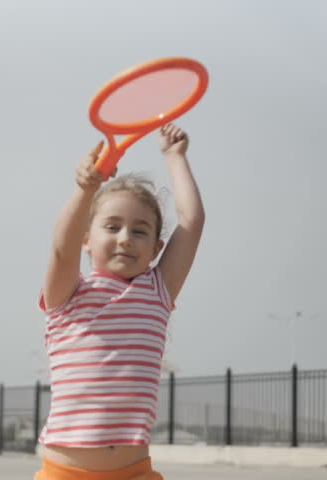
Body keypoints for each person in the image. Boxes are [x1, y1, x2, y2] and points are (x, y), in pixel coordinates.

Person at [36, 123, 205, 480]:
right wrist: (86, 189)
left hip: (135, 472)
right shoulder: (67, 294)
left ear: (157, 248)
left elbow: (192, 222)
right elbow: (60, 249)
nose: (126, 238)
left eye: (140, 230)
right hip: (65, 473)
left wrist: (175, 157)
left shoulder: (158, 289)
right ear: (87, 239)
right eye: (112, 227)